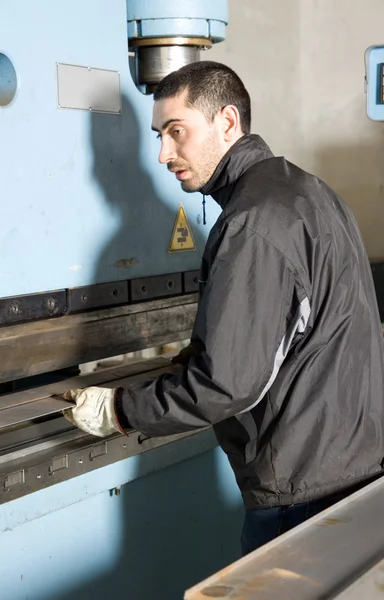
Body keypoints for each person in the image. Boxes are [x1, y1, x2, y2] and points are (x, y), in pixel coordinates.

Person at [64, 61, 384, 555]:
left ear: (228, 123)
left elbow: (227, 385)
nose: (164, 154)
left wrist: (122, 411)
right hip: (355, 470)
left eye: (177, 132)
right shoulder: (310, 193)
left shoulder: (252, 223)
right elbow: (298, 329)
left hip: (302, 493)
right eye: (158, 135)